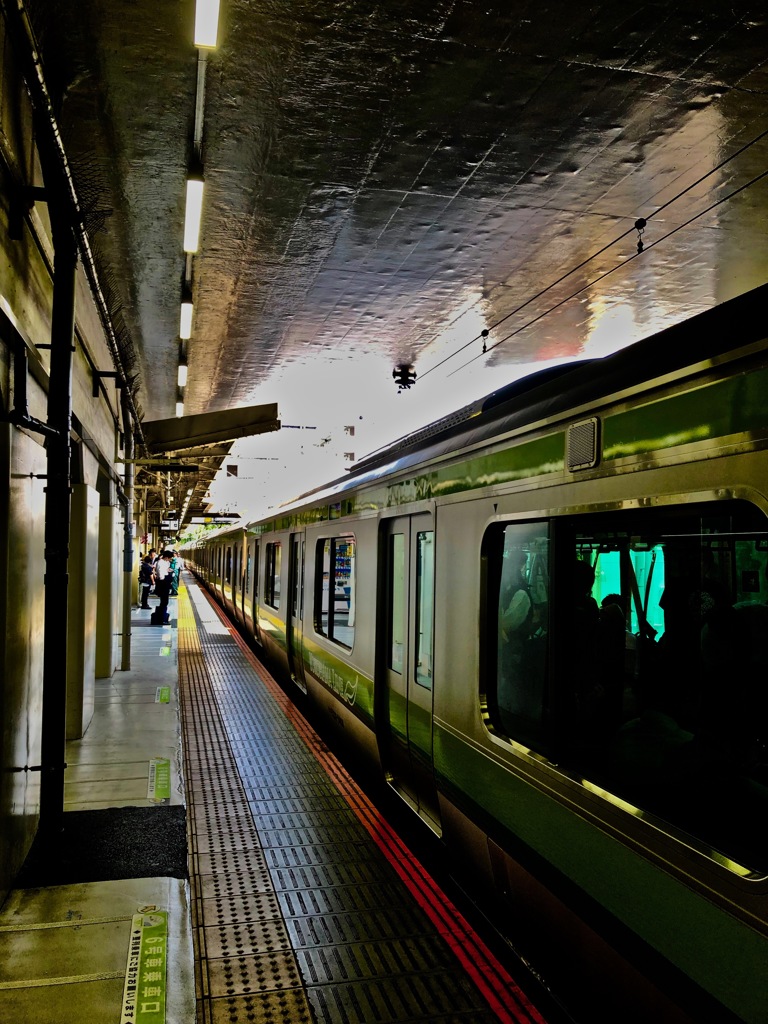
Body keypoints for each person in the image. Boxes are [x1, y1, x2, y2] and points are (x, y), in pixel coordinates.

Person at [153, 550, 173, 624]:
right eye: (170, 558)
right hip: (163, 584)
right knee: (164, 601)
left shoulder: (165, 562)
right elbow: (161, 576)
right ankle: (162, 618)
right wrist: (166, 578)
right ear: (167, 557)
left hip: (164, 584)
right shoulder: (161, 563)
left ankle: (162, 617)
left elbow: (164, 570)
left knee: (164, 601)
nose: (170, 560)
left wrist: (168, 571)